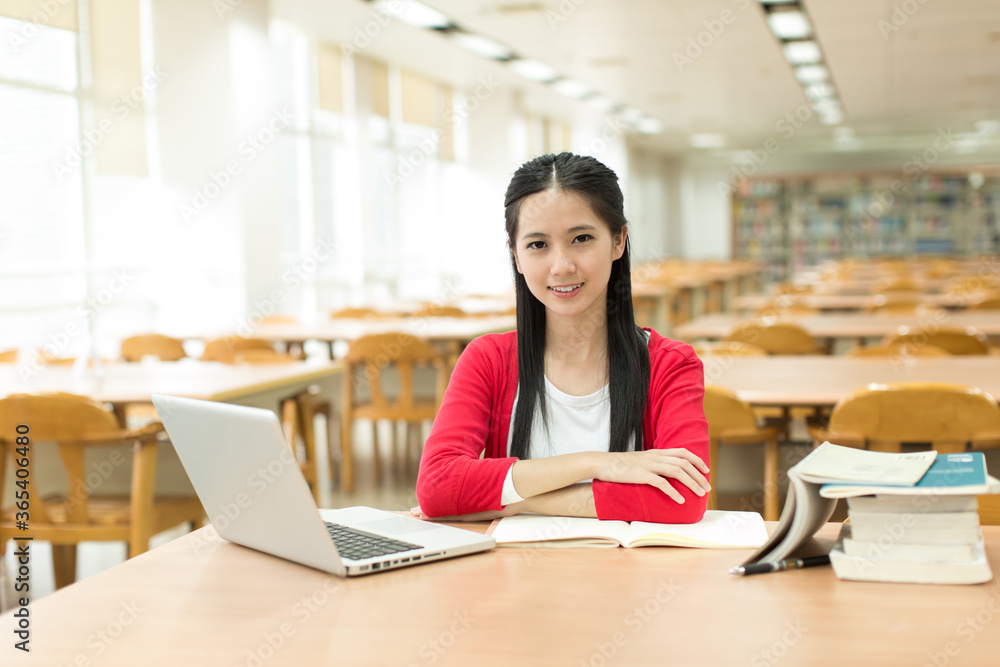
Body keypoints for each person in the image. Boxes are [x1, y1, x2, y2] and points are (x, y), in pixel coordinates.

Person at [413, 152, 711, 524]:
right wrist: (598, 464)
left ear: (619, 241)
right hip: (508, 577)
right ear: (516, 256)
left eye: (581, 238)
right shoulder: (486, 360)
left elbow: (683, 498)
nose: (561, 266)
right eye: (538, 245)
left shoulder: (670, 364)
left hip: (630, 576)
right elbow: (437, 487)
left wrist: (517, 502)